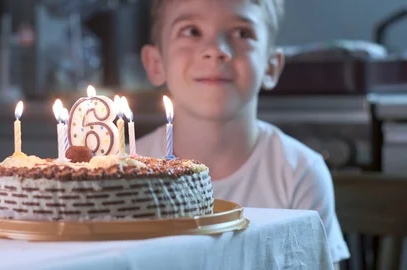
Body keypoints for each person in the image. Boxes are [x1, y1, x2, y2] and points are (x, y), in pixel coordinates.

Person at [136, 0, 350, 267]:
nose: (215, 50)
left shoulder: (300, 173)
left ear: (271, 66)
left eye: (242, 33)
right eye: (191, 31)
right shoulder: (124, 173)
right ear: (155, 63)